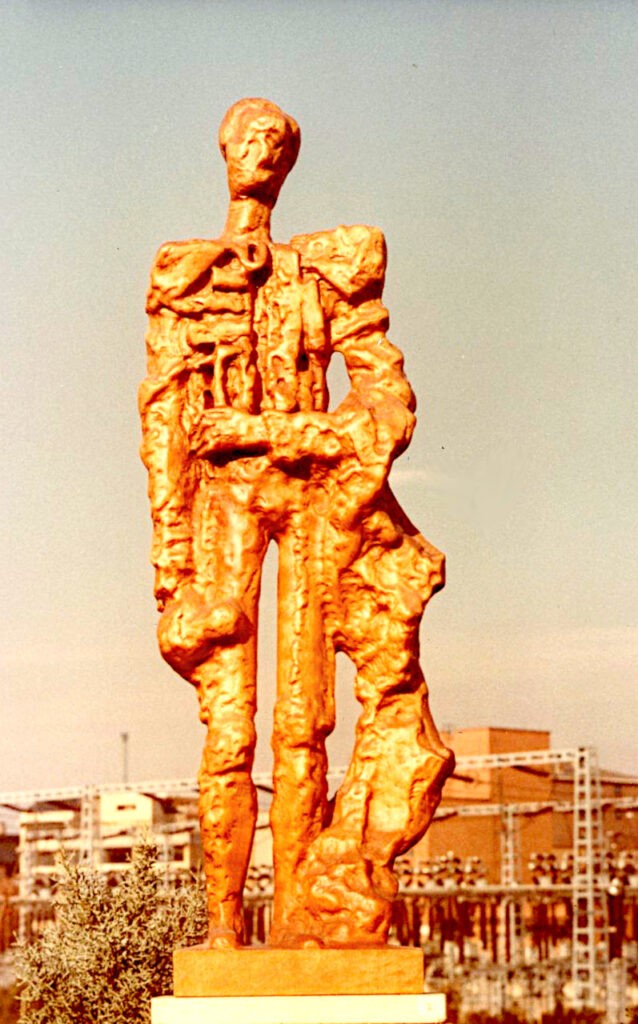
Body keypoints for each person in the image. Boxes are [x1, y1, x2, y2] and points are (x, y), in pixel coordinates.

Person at [140, 97, 453, 948]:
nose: (260, 151)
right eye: (247, 137)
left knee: (303, 722)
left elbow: (385, 401)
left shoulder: (326, 273)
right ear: (223, 150)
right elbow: (164, 416)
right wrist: (171, 554)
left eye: (276, 140)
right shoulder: (186, 278)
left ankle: (299, 933)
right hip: (227, 504)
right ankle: (223, 932)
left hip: (313, 501)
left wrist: (274, 431)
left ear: (290, 160)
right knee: (230, 725)